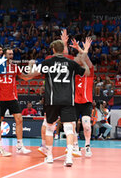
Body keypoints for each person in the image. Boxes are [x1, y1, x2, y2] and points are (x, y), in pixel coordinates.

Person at [37, 39, 89, 167]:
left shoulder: (47, 62)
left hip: (52, 100)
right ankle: (69, 157)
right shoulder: (71, 63)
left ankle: (49, 156)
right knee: (69, 129)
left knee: (50, 129)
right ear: (63, 50)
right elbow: (86, 72)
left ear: (53, 50)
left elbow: (35, 73)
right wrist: (84, 63)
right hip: (67, 100)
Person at [0, 48, 36, 154]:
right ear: (4, 55)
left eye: (12, 54)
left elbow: (24, 77)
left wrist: (35, 73)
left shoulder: (14, 67)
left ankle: (19, 146)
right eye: (9, 54)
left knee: (19, 119)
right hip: (0, 98)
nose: (11, 55)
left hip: (12, 97)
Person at [68, 37, 94, 157]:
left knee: (86, 125)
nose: (78, 59)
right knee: (73, 125)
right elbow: (70, 59)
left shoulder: (90, 72)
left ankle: (87, 146)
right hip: (74, 102)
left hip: (86, 102)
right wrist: (80, 51)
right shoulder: (73, 73)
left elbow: (86, 60)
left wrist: (83, 50)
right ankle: (75, 146)